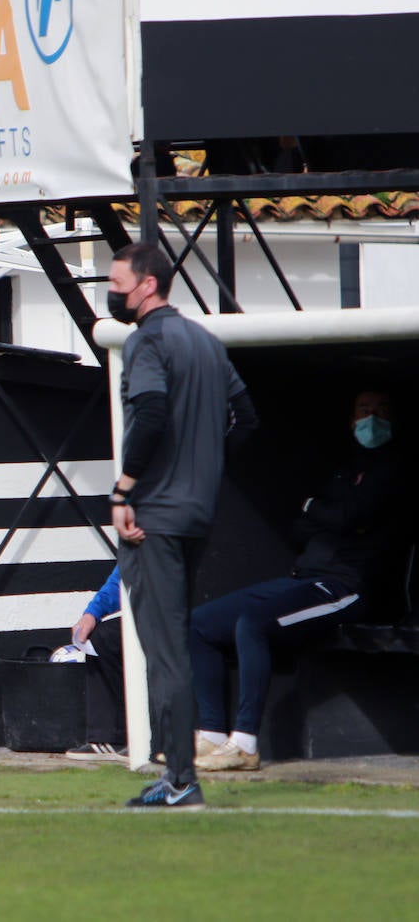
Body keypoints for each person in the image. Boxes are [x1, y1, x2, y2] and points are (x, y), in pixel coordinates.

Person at [107, 241, 257, 809]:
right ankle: (178, 775)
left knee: (164, 650)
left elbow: (148, 413)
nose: (113, 292)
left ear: (147, 285)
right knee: (176, 643)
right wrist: (204, 468)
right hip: (196, 513)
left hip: (154, 518)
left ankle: (179, 779)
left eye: (118, 283)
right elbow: (246, 419)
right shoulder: (206, 342)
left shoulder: (149, 341)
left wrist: (126, 490)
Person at [190, 389, 404, 772]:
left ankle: (245, 744)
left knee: (252, 623)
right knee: (200, 624)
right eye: (365, 410)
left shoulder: (392, 469)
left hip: (344, 587)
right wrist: (327, 514)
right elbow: (300, 527)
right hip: (304, 577)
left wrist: (321, 511)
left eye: (382, 410)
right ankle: (212, 737)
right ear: (351, 419)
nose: (372, 418)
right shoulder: (341, 468)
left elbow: (347, 517)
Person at [63, 567, 128, 762]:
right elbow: (122, 577)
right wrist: (92, 613)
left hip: (177, 610)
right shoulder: (132, 542)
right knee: (100, 637)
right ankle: (108, 738)